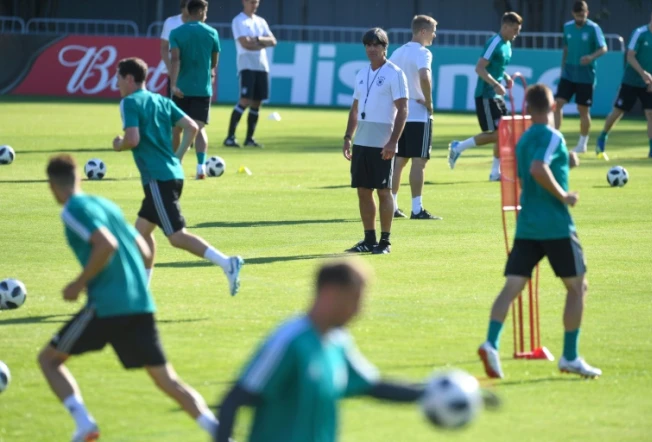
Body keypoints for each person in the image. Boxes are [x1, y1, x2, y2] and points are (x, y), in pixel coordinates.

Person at [38, 155, 219, 442]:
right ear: (80, 177)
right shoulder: (106, 205)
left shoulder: (72, 210)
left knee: (49, 360)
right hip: (140, 304)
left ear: (52, 186)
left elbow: (106, 244)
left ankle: (84, 423)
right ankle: (221, 435)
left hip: (108, 306)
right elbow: (143, 249)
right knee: (168, 381)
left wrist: (79, 283)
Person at [215, 259, 428, 442]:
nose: (359, 310)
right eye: (355, 299)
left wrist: (430, 392)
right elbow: (233, 401)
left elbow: (372, 387)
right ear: (330, 293)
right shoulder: (290, 341)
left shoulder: (338, 342)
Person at [477, 84, 601, 380]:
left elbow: (528, 168)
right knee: (577, 287)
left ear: (527, 108)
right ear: (554, 108)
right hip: (555, 226)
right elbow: (537, 169)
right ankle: (570, 356)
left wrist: (565, 160)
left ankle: (491, 342)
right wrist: (564, 196)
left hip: (528, 224)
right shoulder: (553, 135)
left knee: (512, 287)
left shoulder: (522, 139)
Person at [112, 57, 243, 296]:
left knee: (176, 236)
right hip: (171, 174)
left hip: (157, 178)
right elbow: (192, 127)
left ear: (129, 79)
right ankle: (142, 290)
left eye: (119, 77)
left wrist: (119, 144)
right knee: (141, 234)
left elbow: (132, 140)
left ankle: (227, 263)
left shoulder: (129, 103)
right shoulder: (161, 100)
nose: (116, 82)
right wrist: (179, 156)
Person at [342, 28, 408, 255]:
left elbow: (403, 109)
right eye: (368, 45)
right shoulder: (361, 73)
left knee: (383, 190)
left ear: (385, 47)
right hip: (362, 140)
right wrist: (348, 137)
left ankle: (385, 242)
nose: (372, 49)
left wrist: (392, 142)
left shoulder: (395, 73)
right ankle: (368, 239)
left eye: (376, 45)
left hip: (383, 142)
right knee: (363, 190)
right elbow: (354, 108)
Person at [448, 12, 523, 181]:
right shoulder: (494, 42)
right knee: (498, 134)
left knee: (504, 132)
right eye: (515, 29)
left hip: (496, 96)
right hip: (486, 95)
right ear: (505, 26)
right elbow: (480, 68)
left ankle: (494, 173)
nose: (516, 33)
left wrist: (505, 77)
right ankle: (458, 147)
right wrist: (496, 85)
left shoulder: (507, 44)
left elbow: (498, 67)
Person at [388, 14, 441, 220]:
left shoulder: (397, 52)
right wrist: (428, 101)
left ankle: (391, 205)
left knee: (399, 160)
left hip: (400, 114)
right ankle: (417, 208)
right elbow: (424, 76)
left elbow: (388, 78)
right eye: (433, 31)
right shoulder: (423, 52)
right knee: (419, 161)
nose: (434, 35)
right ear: (423, 31)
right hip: (418, 114)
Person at [596, 4, 652, 160]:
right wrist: (643, 73)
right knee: (618, 112)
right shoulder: (640, 33)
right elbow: (630, 56)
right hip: (631, 81)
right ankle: (602, 137)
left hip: (649, 83)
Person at [169, 0, 219, 179]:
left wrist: (173, 85)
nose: (206, 15)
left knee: (176, 129)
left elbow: (175, 60)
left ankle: (174, 164)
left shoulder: (176, 33)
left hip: (181, 88)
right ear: (199, 12)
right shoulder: (212, 33)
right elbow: (214, 63)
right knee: (199, 129)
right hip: (203, 90)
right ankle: (200, 167)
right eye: (205, 12)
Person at [554, 1, 607, 153]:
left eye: (582, 15)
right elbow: (566, 48)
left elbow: (603, 48)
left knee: (582, 110)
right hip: (569, 73)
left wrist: (591, 57)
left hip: (586, 76)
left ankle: (582, 143)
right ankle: (556, 139)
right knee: (558, 104)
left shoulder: (593, 28)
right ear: (573, 14)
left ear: (587, 13)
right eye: (578, 15)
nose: (580, 18)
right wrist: (562, 68)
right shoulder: (567, 27)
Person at [224, 0, 277, 148]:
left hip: (262, 66)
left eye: (256, 2)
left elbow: (273, 41)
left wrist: (258, 40)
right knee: (245, 100)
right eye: (251, 2)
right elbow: (245, 44)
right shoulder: (239, 20)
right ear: (244, 2)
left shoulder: (261, 21)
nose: (254, 4)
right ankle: (230, 137)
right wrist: (261, 44)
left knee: (257, 102)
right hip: (246, 65)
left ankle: (249, 139)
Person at [160, 0, 189, 152]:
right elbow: (164, 48)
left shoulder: (197, 23)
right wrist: (170, 68)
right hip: (175, 73)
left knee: (191, 110)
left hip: (192, 75)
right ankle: (171, 145)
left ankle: (187, 139)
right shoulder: (171, 22)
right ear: (183, 7)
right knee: (173, 111)